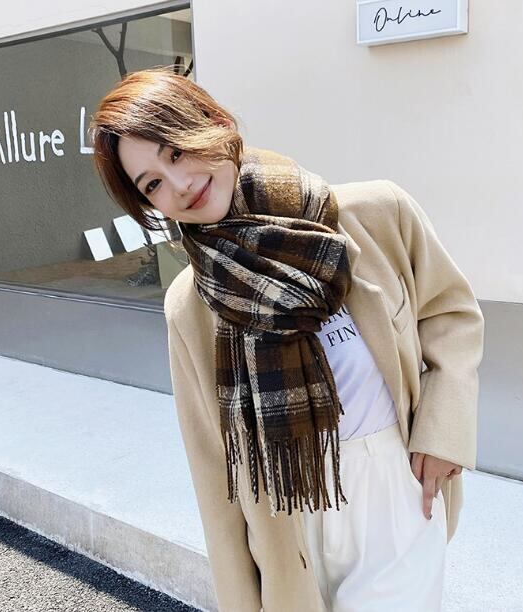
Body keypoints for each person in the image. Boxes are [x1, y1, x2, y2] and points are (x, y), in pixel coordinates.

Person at [90, 66, 485, 612]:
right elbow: (214, 468)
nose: (178, 184)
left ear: (214, 123)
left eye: (176, 151)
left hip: (395, 488)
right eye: (152, 184)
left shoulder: (375, 214)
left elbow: (451, 313)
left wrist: (443, 434)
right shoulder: (190, 306)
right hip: (285, 521)